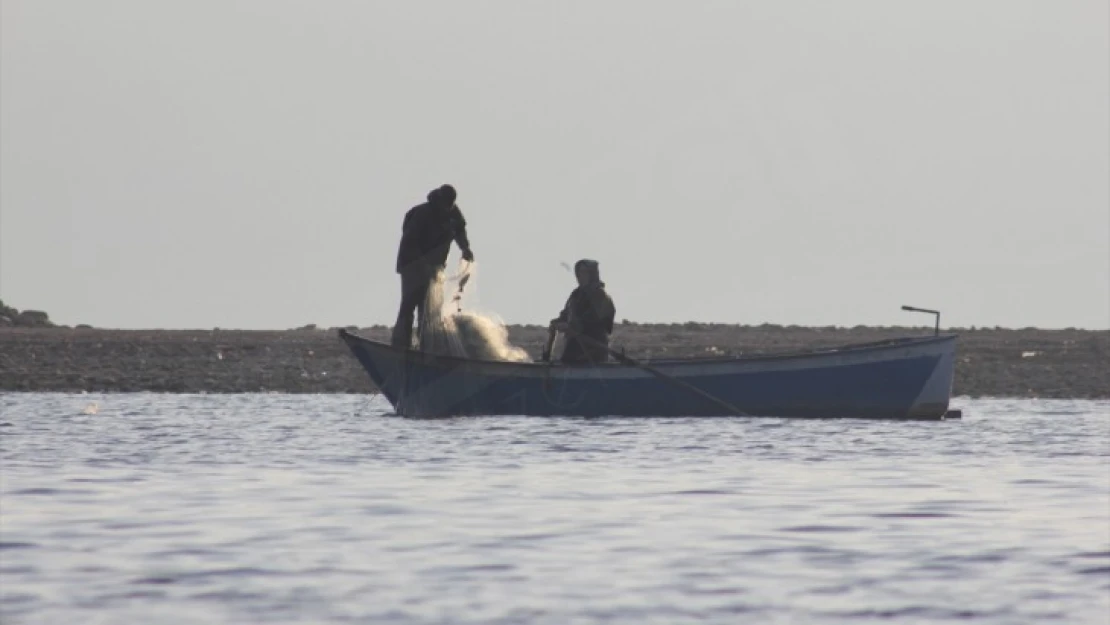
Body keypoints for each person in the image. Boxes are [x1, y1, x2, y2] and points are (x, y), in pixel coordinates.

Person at [391, 184, 475, 349]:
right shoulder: (422, 214)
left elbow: (460, 230)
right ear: (439, 200)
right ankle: (402, 346)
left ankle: (426, 347)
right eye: (445, 204)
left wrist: (465, 248)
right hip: (411, 265)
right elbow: (410, 242)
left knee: (429, 308)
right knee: (409, 304)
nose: (447, 208)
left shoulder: (453, 213)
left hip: (435, 267)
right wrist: (422, 264)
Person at [549, 259, 616, 364]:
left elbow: (596, 320)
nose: (580, 276)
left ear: (592, 274)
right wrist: (557, 322)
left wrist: (573, 326)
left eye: (584, 272)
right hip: (574, 346)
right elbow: (566, 314)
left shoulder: (600, 296)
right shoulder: (576, 295)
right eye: (579, 272)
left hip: (593, 347)